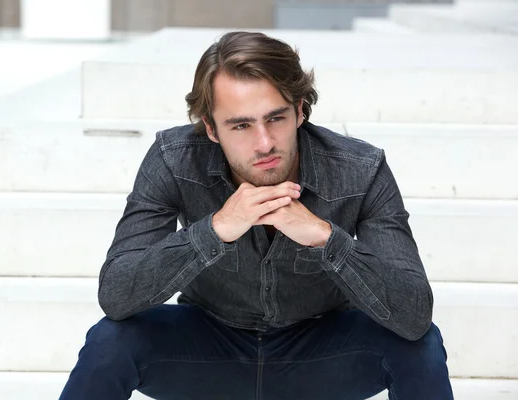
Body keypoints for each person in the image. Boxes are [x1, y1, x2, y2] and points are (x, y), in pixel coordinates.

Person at [59, 31, 453, 400]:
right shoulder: (174, 160)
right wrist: (214, 231)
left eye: (276, 118)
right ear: (211, 129)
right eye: (241, 125)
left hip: (320, 354)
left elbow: (414, 314)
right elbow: (116, 295)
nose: (264, 143)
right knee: (110, 342)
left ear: (300, 111)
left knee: (420, 346)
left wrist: (325, 237)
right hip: (208, 350)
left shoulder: (359, 170)